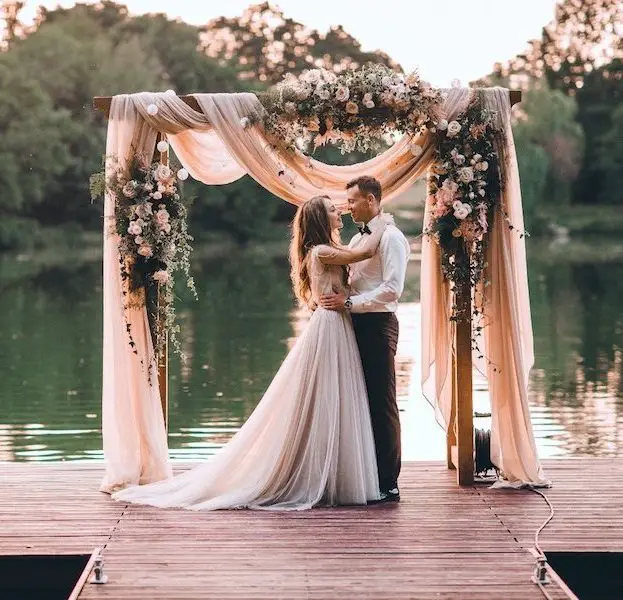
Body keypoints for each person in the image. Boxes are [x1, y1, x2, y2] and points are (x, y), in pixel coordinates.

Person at [113, 195, 386, 511]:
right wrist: (384, 222)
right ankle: (317, 473)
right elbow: (365, 252)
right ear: (320, 220)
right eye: (330, 210)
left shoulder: (326, 251)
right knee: (326, 395)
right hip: (330, 326)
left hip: (336, 321)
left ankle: (331, 471)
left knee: (335, 395)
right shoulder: (323, 251)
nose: (338, 211)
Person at [319, 176, 410, 502]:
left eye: (353, 201)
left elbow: (392, 290)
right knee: (357, 400)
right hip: (353, 326)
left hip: (378, 325)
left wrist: (349, 303)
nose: (348, 207)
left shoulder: (392, 239)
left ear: (371, 200)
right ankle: (365, 474)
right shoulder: (359, 240)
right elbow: (354, 279)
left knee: (381, 403)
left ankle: (388, 481)